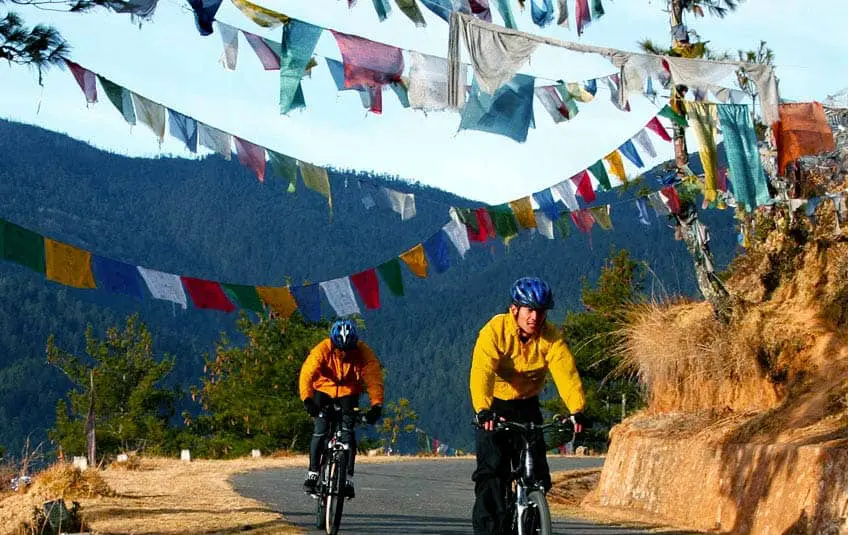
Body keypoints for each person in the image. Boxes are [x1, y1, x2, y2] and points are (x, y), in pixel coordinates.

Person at [469, 276, 586, 535]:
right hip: (495, 408)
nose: (535, 317)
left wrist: (576, 410)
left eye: (541, 311)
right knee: (491, 474)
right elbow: (482, 372)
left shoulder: (550, 337)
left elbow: (565, 372)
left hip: (528, 405)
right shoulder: (494, 331)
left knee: (539, 475)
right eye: (529, 310)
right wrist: (483, 409)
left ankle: (533, 518)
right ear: (515, 310)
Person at [299, 319, 384, 499]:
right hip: (323, 389)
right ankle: (313, 473)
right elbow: (307, 373)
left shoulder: (363, 352)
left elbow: (373, 377)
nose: (343, 353)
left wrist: (376, 405)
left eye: (348, 349)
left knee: (348, 432)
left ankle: (347, 478)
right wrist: (307, 399)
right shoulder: (322, 349)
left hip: (348, 391)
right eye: (339, 349)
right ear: (332, 343)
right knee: (321, 429)